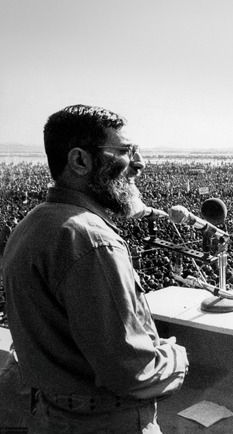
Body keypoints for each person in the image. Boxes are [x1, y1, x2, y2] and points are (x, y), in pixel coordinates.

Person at [2, 105, 189, 433]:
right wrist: (177, 357)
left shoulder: (32, 224)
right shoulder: (92, 240)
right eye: (125, 151)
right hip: (105, 423)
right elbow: (132, 373)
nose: (139, 163)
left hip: (51, 417)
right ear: (80, 161)